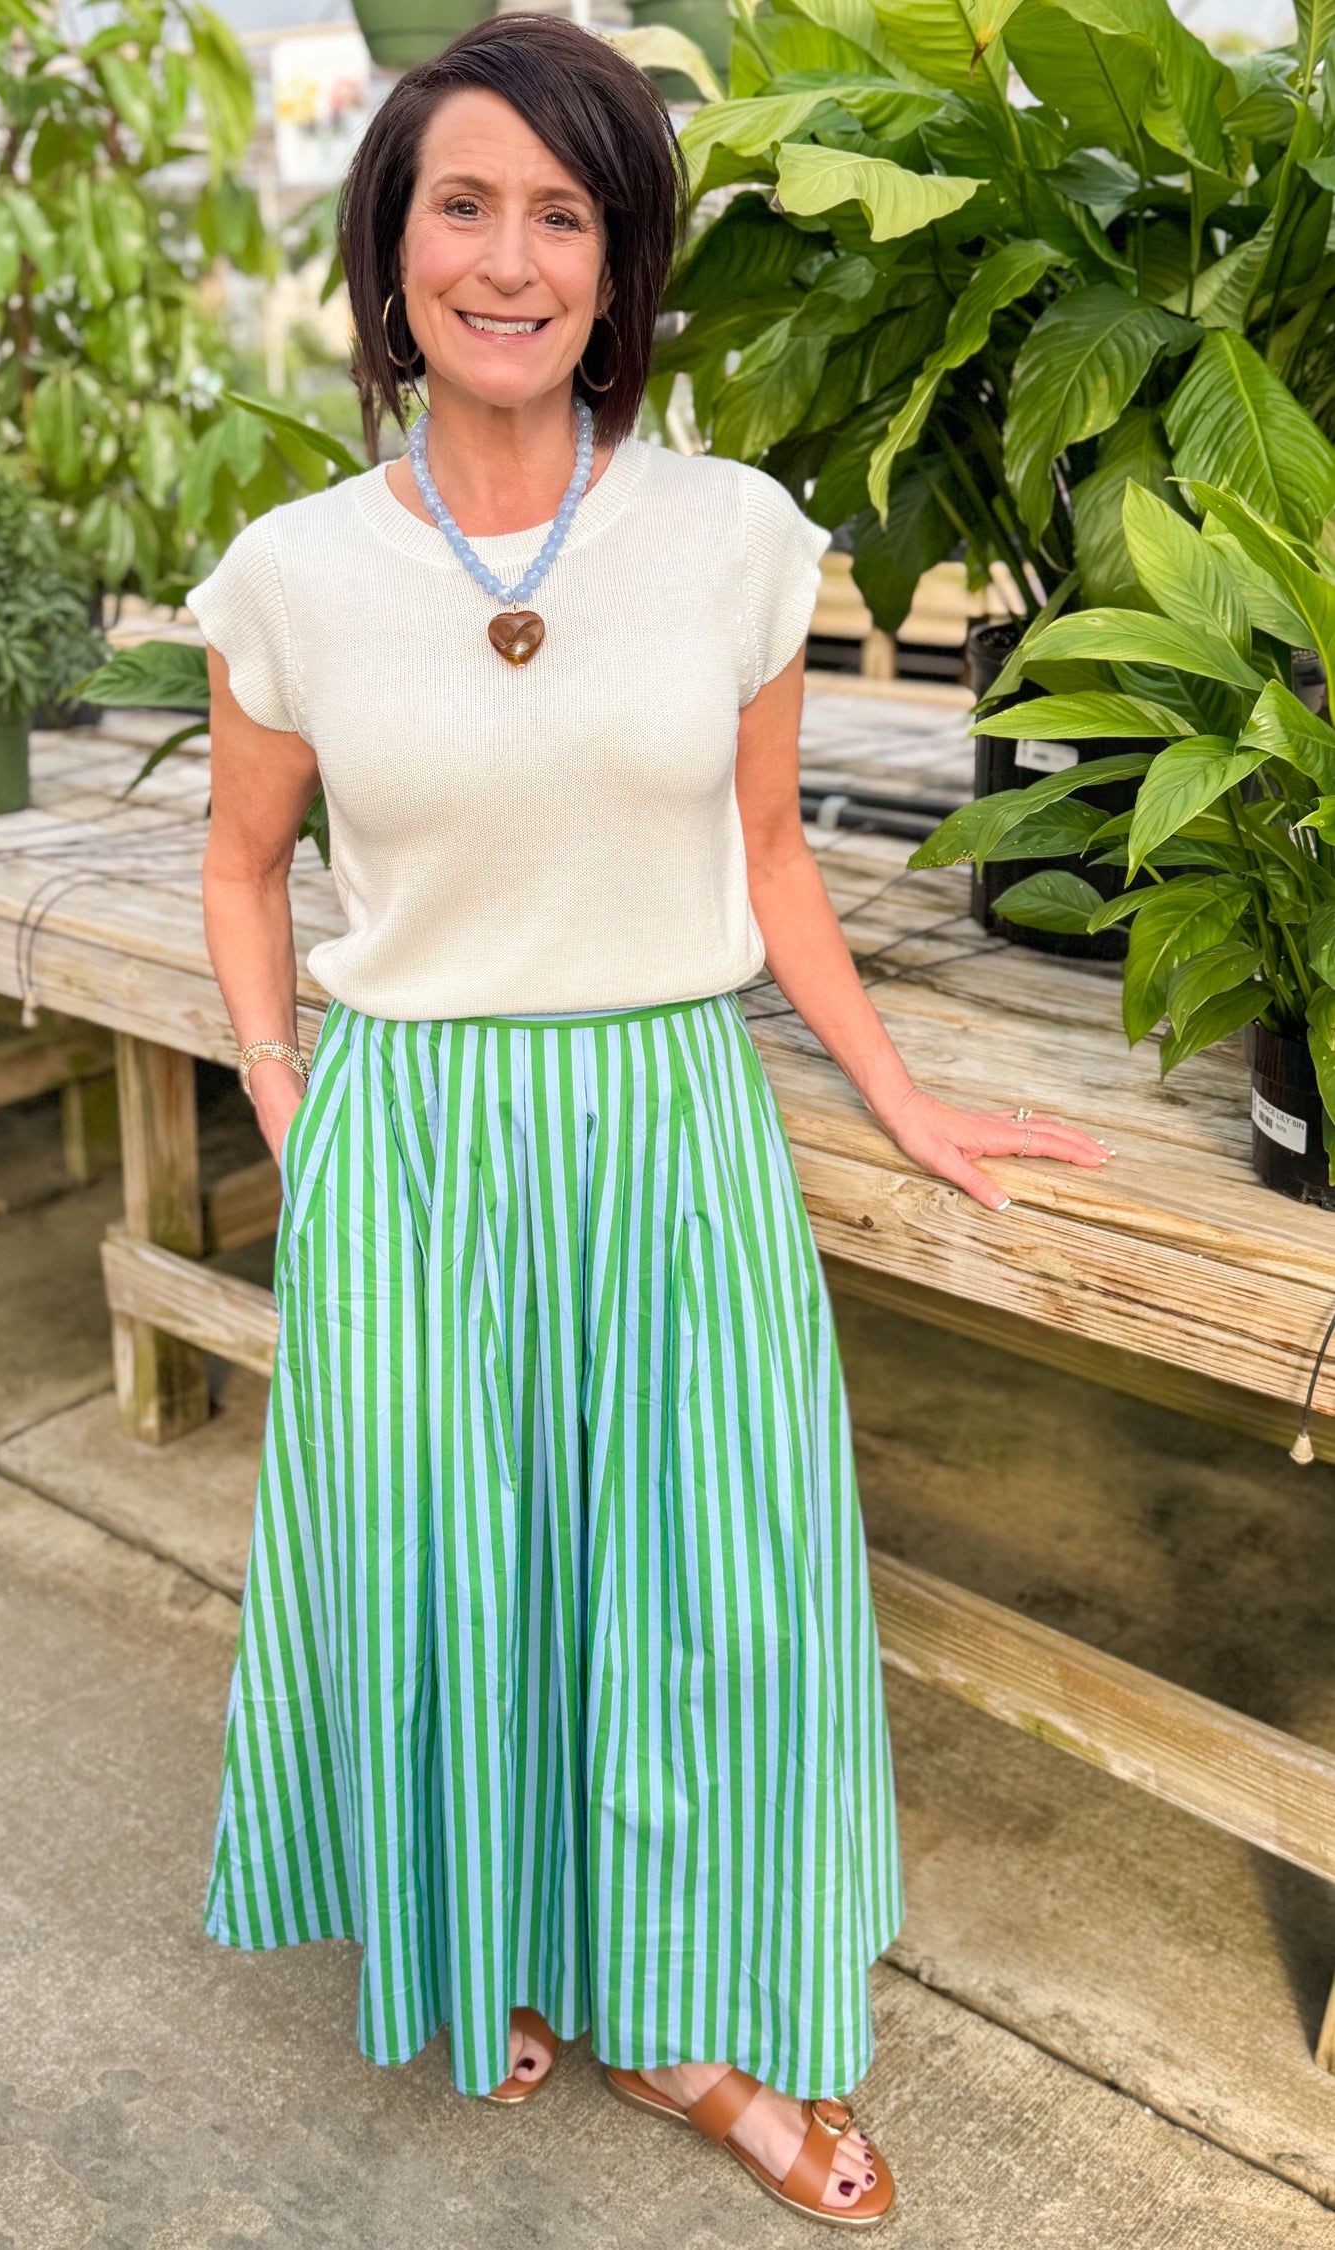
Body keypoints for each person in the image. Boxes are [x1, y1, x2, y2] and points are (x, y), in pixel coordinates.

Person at [187, 16, 1111, 2230]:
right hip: (413, 1142)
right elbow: (238, 868)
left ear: (620, 268)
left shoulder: (728, 537)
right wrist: (294, 1105)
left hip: (668, 1128)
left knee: (702, 1599)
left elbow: (777, 859)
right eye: (463, 206)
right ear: (391, 249)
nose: (510, 261)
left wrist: (905, 1100)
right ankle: (497, 1936)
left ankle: (694, 2022)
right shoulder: (296, 569)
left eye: (564, 217)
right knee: (449, 1574)